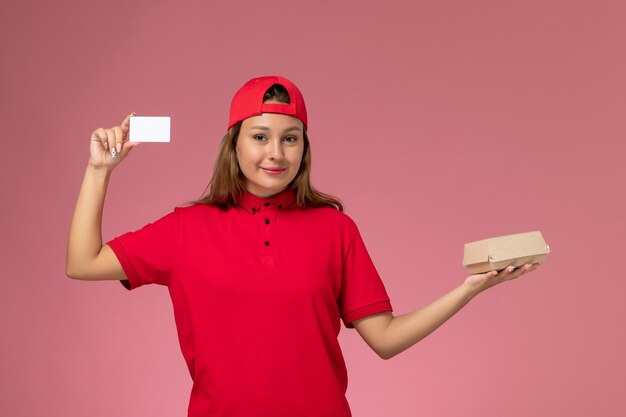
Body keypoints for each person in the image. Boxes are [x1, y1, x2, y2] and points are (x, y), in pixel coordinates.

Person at [65, 75, 541, 416]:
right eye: (260, 137)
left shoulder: (336, 231)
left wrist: (469, 289)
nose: (276, 153)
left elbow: (386, 340)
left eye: (290, 138)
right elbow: (82, 263)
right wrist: (98, 171)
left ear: (304, 149)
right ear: (233, 145)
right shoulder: (187, 228)